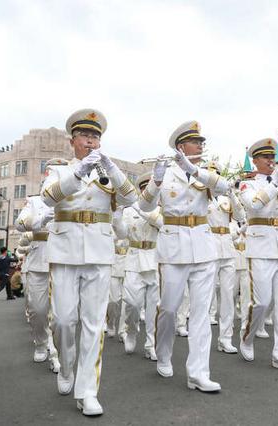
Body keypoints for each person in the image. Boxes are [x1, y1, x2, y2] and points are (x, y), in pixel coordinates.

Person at [40, 109, 138, 416]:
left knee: (94, 324)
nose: (91, 141)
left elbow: (131, 199)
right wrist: (80, 172)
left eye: (95, 136)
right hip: (65, 251)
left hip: (98, 252)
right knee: (64, 322)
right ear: (72, 141)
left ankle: (88, 390)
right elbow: (48, 198)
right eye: (85, 136)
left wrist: (111, 167)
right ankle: (66, 367)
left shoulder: (107, 174)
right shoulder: (58, 171)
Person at [138, 120, 228, 392]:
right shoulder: (164, 174)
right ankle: (163, 353)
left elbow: (225, 189)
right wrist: (155, 180)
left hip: (202, 245)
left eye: (202, 142)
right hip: (173, 248)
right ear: (181, 146)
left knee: (200, 314)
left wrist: (195, 170)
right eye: (196, 142)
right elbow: (144, 205)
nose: (201, 146)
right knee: (168, 309)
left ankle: (198, 373)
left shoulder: (206, 171)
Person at [238, 138, 278, 372]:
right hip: (260, 248)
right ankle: (247, 336)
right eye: (265, 157)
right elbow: (254, 206)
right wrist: (275, 182)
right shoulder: (248, 185)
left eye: (272, 157)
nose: (270, 161)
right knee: (261, 302)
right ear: (255, 161)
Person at [113, 172, 162, 361]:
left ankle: (151, 343)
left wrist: (143, 210)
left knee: (155, 307)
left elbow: (162, 224)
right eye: (144, 190)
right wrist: (117, 217)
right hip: (134, 259)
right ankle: (131, 331)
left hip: (155, 258)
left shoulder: (161, 208)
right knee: (132, 303)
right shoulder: (128, 211)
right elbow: (122, 234)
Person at [204, 161, 246, 354]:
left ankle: (226, 338)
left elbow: (240, 215)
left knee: (228, 296)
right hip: (208, 248)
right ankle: (203, 335)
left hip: (227, 249)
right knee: (206, 295)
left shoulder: (225, 200)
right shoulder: (200, 197)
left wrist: (231, 194)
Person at [15, 194, 60, 369]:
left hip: (65, 259)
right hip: (38, 260)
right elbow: (20, 223)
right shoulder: (35, 201)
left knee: (61, 313)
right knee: (38, 309)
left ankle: (56, 351)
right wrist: (43, 217)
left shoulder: (73, 196)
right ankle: (41, 342)